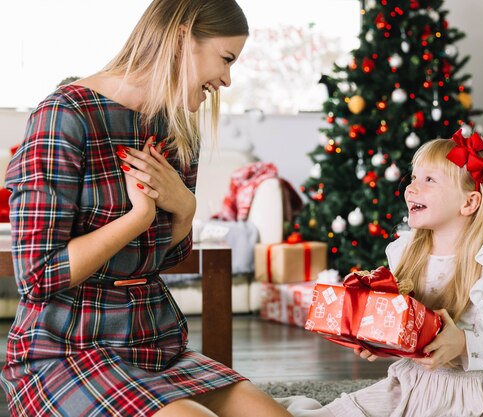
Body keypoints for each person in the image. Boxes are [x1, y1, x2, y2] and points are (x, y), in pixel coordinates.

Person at [0, 1, 292, 416]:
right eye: (226, 59)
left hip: (153, 346)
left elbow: (162, 257)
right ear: (181, 37)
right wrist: (138, 217)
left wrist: (185, 209)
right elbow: (36, 275)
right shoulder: (65, 114)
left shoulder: (177, 124)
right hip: (65, 349)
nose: (227, 79)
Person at [278, 129, 483, 416]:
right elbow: (408, 328)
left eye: (429, 180)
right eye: (414, 177)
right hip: (410, 383)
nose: (410, 188)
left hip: (472, 398)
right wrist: (377, 339)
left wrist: (463, 345)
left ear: (469, 202)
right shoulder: (406, 251)